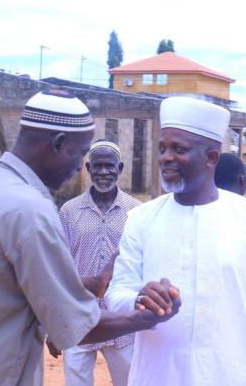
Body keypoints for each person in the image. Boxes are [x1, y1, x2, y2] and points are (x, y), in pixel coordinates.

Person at [0, 89, 181, 386]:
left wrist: (97, 282)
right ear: (58, 144)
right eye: (81, 155)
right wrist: (148, 318)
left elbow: (14, 285)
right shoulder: (31, 210)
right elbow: (77, 325)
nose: (81, 168)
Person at [105, 96, 246, 386]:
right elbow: (116, 293)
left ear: (211, 158)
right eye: (162, 148)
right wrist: (138, 299)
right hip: (157, 375)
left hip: (234, 375)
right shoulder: (141, 219)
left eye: (178, 149)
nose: (165, 157)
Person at [50, 139, 141, 386]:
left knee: (129, 382)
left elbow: (143, 266)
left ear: (120, 168)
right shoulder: (69, 211)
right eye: (97, 166)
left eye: (109, 166)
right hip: (78, 317)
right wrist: (55, 324)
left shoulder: (137, 212)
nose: (103, 172)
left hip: (120, 320)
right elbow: (59, 268)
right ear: (88, 168)